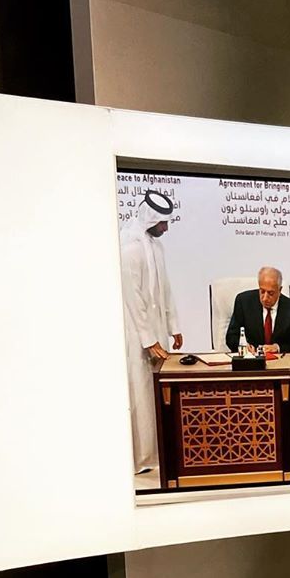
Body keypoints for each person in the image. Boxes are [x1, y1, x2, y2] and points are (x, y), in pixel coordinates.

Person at [120, 190, 182, 473]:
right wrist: (148, 339)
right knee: (141, 395)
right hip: (137, 336)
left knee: (157, 393)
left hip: (157, 332)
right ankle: (142, 458)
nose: (166, 228)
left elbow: (165, 289)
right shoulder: (130, 249)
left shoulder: (156, 248)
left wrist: (173, 326)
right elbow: (133, 298)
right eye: (163, 223)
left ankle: (158, 455)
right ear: (151, 219)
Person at [225, 267, 290, 355]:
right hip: (251, 359)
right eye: (262, 291)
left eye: (270, 293)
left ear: (279, 290)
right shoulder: (243, 302)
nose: (265, 298)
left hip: (280, 361)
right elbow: (231, 337)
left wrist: (278, 348)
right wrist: (244, 346)